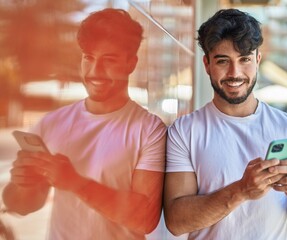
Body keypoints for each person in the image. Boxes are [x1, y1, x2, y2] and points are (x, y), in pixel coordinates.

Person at [163, 9, 287, 240]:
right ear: (206, 64)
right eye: (223, 61)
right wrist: (241, 190)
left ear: (258, 60)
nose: (235, 73)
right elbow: (176, 221)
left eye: (244, 59)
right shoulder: (183, 132)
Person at [2, 8, 167, 240]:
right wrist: (23, 184)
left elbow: (145, 218)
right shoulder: (51, 124)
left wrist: (76, 182)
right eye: (88, 58)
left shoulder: (150, 131)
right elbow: (22, 205)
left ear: (131, 63)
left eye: (108, 60)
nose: (95, 71)